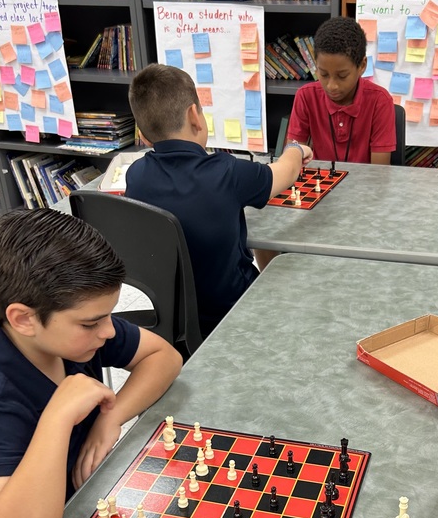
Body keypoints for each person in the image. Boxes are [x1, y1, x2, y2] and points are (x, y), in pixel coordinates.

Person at [0, 208, 183, 518]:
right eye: (92, 323)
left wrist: (110, 417)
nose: (108, 331)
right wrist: (57, 417)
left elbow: (164, 357)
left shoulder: (74, 335)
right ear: (23, 319)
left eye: (108, 316)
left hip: (84, 504)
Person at [125, 64, 312, 334]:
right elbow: (288, 171)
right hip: (235, 313)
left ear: (141, 134)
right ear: (195, 116)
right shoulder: (228, 171)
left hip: (173, 321)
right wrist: (296, 147)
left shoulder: (136, 175)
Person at [286, 16, 397, 165]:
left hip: (365, 186)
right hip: (321, 183)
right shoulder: (306, 96)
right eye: (323, 74)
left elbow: (379, 173)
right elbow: (292, 160)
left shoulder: (380, 101)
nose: (331, 85)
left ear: (362, 66)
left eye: (342, 75)